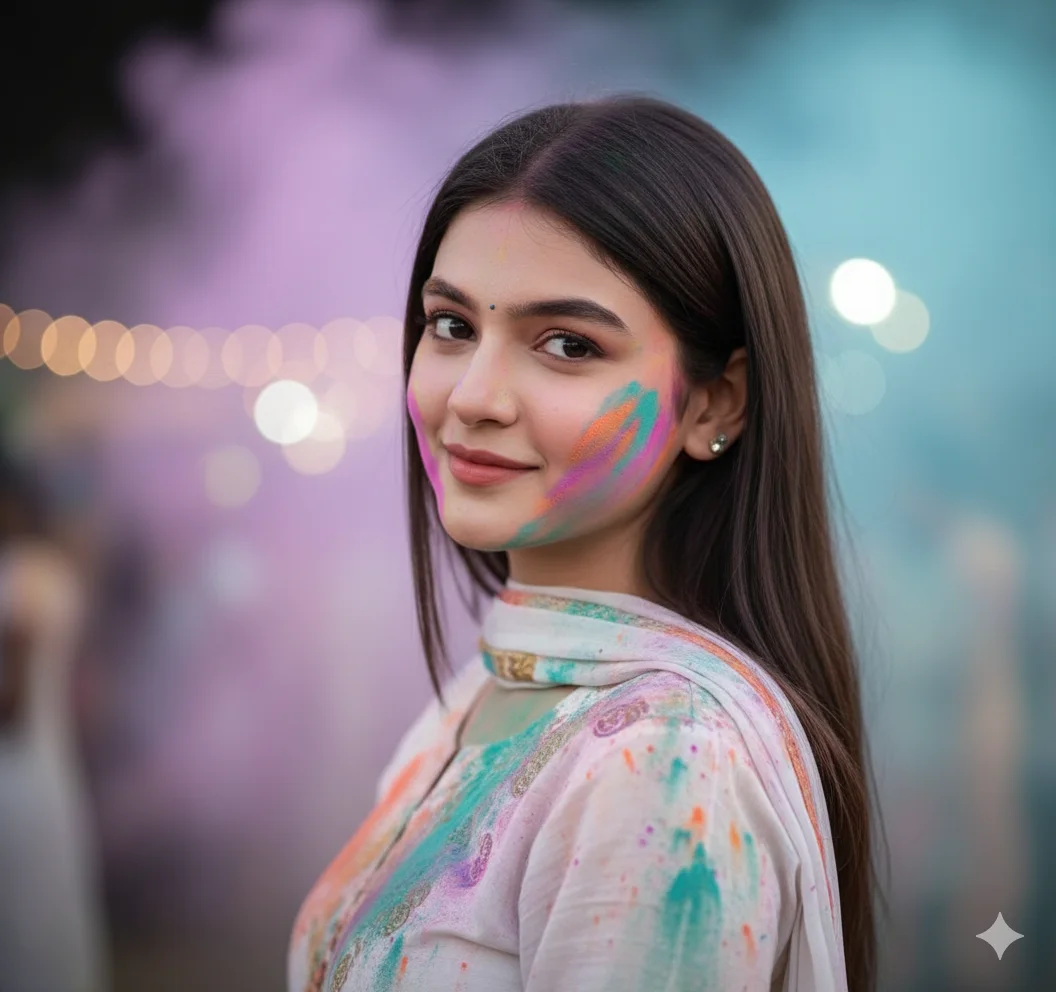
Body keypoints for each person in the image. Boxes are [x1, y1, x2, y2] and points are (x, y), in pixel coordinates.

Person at [288, 95, 880, 992]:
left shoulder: (665, 766)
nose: (474, 395)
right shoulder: (493, 688)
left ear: (716, 401)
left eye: (565, 344)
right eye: (452, 326)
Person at [0, 448, 111, 992]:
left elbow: (11, 703)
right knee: (44, 911)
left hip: (13, 774)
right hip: (49, 765)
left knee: (21, 919)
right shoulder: (54, 572)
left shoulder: (20, 577)